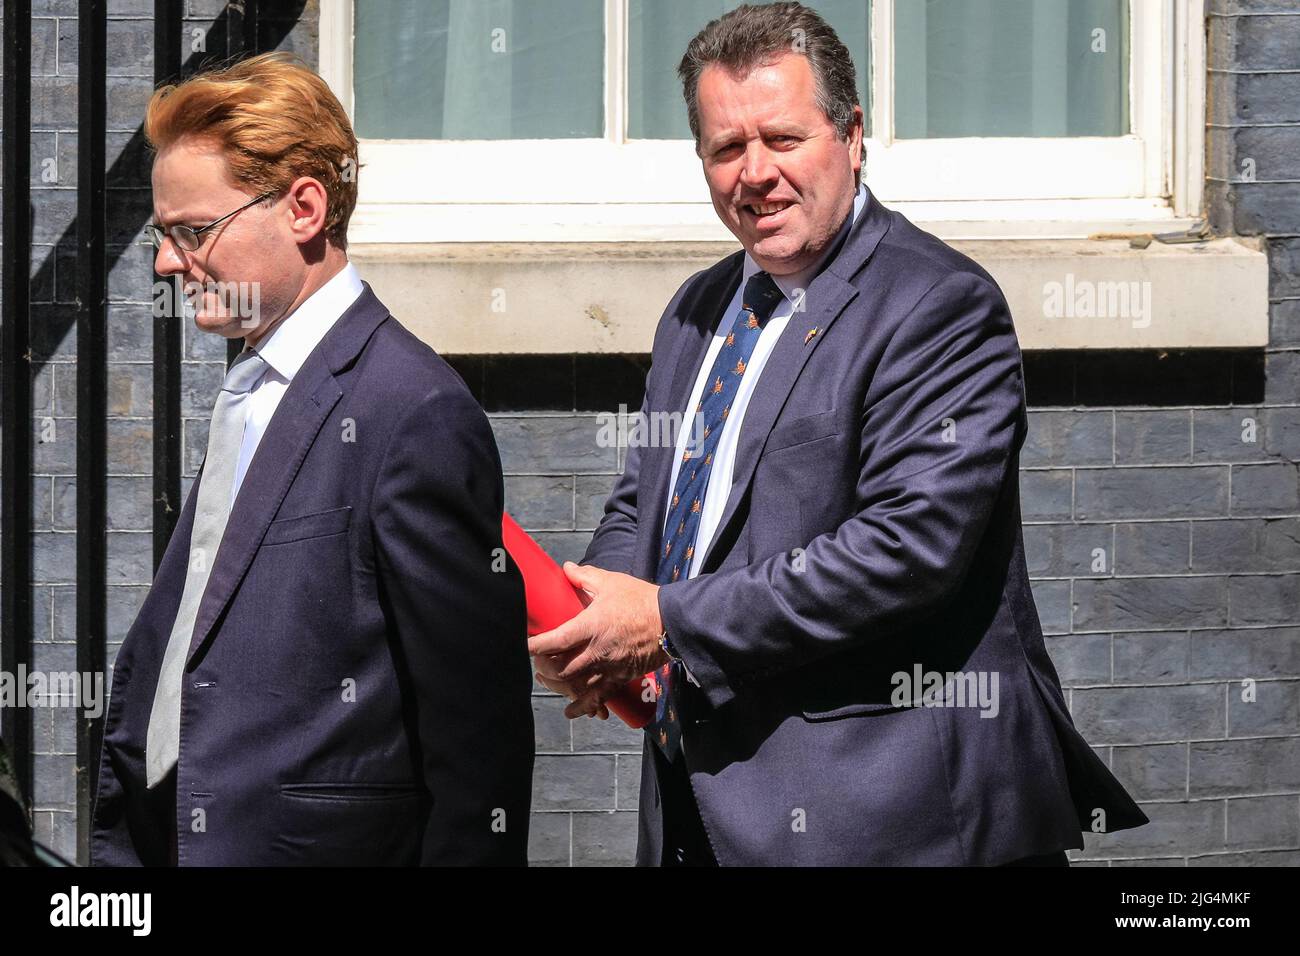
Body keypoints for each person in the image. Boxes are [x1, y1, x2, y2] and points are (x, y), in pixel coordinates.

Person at [529, 2, 1148, 866]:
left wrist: (665, 622)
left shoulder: (937, 306)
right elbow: (649, 503)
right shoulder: (697, 311)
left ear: (853, 136)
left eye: (783, 139)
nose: (755, 174)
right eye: (725, 148)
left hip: (890, 821)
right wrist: (598, 618)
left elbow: (904, 550)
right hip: (697, 806)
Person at [90, 52, 533, 866]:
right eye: (163, 235)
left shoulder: (413, 410)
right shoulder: (255, 386)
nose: (165, 262)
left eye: (193, 232)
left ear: (303, 207)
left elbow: (477, 730)